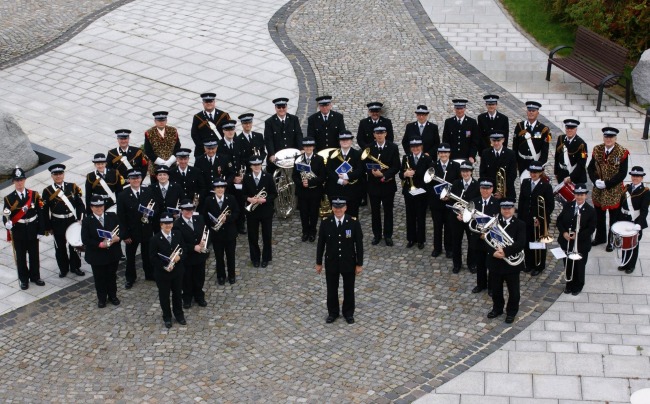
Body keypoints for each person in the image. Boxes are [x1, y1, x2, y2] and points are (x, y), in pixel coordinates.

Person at [316, 197, 364, 324]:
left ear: (345, 208)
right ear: (332, 208)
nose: (338, 210)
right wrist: (318, 262)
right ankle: (333, 312)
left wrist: (359, 264)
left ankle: (348, 313)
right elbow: (321, 244)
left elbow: (359, 245)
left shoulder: (353, 223)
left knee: (349, 289)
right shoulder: (326, 222)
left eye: (341, 208)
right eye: (336, 208)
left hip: (348, 262)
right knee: (332, 289)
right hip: (331, 261)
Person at [3, 167, 45, 290]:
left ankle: (35, 277)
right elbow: (6, 215)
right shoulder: (9, 199)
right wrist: (7, 223)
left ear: (25, 180)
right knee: (21, 258)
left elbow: (40, 213)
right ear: (13, 182)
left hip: (32, 229)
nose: (19, 183)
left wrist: (41, 230)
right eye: (17, 180)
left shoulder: (34, 195)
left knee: (34, 255)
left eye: (21, 180)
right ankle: (24, 279)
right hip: (19, 231)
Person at [587, 127, 629, 251]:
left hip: (614, 190)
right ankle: (600, 237)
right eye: (606, 137)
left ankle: (611, 241)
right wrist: (595, 181)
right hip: (599, 189)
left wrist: (608, 184)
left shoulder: (622, 152)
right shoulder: (598, 149)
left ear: (615, 138)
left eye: (611, 137)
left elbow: (622, 173)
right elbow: (590, 168)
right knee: (599, 215)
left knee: (613, 218)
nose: (608, 139)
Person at [485, 199, 526, 323]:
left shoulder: (520, 224)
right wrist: (493, 252)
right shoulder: (493, 223)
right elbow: (487, 240)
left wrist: (505, 252)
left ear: (513, 210)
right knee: (496, 290)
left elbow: (521, 243)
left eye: (509, 208)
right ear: (501, 210)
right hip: (496, 261)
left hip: (511, 264)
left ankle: (511, 312)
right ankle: (497, 309)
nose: (506, 211)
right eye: (504, 209)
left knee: (514, 291)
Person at [42, 163, 85, 278]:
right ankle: (63, 268)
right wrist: (48, 227)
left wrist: (80, 219)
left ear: (63, 174)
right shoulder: (47, 191)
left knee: (75, 245)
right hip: (57, 222)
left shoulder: (72, 187)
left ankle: (75, 266)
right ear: (52, 176)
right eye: (55, 174)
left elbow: (80, 205)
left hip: (71, 221)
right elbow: (45, 211)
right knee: (60, 247)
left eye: (60, 173)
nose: (58, 176)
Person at [81, 195, 121, 307]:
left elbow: (121, 229)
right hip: (97, 255)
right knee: (99, 278)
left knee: (112, 276)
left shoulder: (112, 216)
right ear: (91, 207)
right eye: (96, 206)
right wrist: (99, 244)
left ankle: (113, 296)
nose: (99, 209)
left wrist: (118, 238)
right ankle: (102, 298)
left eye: (101, 206)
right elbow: (85, 239)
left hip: (112, 253)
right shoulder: (87, 221)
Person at [116, 169, 154, 289]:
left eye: (138, 178)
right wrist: (124, 235)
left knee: (147, 254)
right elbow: (121, 217)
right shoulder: (123, 195)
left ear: (141, 179)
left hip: (146, 229)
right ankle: (130, 278)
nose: (136, 180)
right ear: (129, 180)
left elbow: (155, 206)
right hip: (131, 232)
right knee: (131, 257)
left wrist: (151, 213)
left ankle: (149, 274)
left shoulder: (148, 191)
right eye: (133, 178)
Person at [557, 184, 596, 295]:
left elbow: (591, 229)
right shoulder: (568, 206)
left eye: (582, 195)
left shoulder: (590, 211)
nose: (579, 197)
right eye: (577, 195)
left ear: (586, 196)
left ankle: (578, 285)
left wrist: (577, 236)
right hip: (567, 242)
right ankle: (569, 284)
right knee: (568, 263)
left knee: (579, 266)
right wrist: (564, 232)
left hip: (581, 244)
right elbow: (559, 221)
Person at [517, 161, 554, 276]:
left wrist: (540, 219)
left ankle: (539, 265)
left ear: (541, 173)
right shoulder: (525, 182)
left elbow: (550, 206)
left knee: (538, 243)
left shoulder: (546, 186)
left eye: (536, 172)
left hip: (539, 221)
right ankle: (529, 264)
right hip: (526, 219)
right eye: (532, 172)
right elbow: (522, 201)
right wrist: (520, 218)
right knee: (527, 241)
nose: (533, 174)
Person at [149, 212, 185, 328]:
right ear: (161, 225)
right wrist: (164, 266)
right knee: (164, 296)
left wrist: (180, 257)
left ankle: (179, 315)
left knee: (177, 294)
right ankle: (167, 317)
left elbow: (184, 249)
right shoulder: (155, 239)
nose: (168, 225)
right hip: (163, 273)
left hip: (177, 271)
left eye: (169, 223)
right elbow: (152, 257)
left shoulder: (178, 234)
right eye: (165, 224)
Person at [366, 127, 400, 246]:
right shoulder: (369, 148)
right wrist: (372, 172)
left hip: (388, 185)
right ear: (374, 134)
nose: (379, 135)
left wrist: (384, 174)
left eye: (381, 133)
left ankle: (388, 235)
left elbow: (396, 166)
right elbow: (365, 164)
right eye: (377, 133)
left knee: (388, 212)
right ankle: (377, 235)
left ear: (385, 134)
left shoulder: (393, 147)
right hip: (373, 185)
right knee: (375, 212)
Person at [203, 178, 240, 284]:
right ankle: (221, 276)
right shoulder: (209, 200)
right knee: (219, 256)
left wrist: (227, 219)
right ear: (214, 189)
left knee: (230, 255)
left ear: (224, 188)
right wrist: (212, 222)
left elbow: (237, 212)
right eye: (217, 188)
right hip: (216, 234)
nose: (220, 190)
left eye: (222, 187)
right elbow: (205, 216)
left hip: (229, 233)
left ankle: (231, 275)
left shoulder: (231, 198)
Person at [243, 157, 278, 268]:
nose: (257, 166)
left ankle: (266, 258)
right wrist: (249, 199)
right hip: (252, 212)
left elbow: (274, 193)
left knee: (267, 235)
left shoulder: (267, 177)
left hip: (265, 211)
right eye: (254, 165)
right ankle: (255, 258)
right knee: (252, 236)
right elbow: (243, 194)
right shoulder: (247, 177)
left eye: (259, 164)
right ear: (251, 166)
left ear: (261, 165)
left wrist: (265, 200)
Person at [174, 199, 209, 306]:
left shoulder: (199, 219)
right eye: (186, 210)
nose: (189, 212)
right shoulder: (177, 224)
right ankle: (187, 297)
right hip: (187, 257)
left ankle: (199, 295)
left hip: (200, 255)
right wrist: (193, 247)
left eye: (191, 209)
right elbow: (179, 243)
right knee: (187, 278)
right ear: (181, 210)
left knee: (199, 277)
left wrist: (205, 242)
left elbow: (206, 232)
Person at [291, 137, 326, 242]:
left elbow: (322, 177)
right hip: (302, 191)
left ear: (313, 147)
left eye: (310, 146)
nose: (308, 148)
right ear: (303, 147)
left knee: (314, 213)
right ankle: (305, 232)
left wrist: (310, 182)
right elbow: (294, 176)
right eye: (306, 146)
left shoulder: (319, 159)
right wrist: (302, 183)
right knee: (303, 213)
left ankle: (312, 232)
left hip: (315, 191)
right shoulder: (298, 158)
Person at [428, 143, 460, 258]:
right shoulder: (432, 165)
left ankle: (449, 248)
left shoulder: (456, 166)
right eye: (441, 153)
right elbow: (429, 185)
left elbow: (458, 184)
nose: (443, 155)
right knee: (437, 226)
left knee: (449, 227)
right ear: (438, 154)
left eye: (445, 152)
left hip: (450, 202)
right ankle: (437, 248)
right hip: (436, 202)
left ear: (449, 153)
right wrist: (439, 196)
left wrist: (449, 196)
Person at [446, 161, 479, 273]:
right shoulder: (455, 183)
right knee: (456, 241)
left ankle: (472, 263)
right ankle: (457, 264)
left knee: (472, 242)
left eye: (467, 171)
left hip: (470, 219)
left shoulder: (477, 185)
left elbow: (477, 204)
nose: (465, 174)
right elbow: (452, 202)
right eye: (463, 171)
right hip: (457, 218)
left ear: (471, 172)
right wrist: (458, 215)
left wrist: (468, 215)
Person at [399, 137, 432, 250]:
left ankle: (421, 240)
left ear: (421, 147)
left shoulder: (427, 159)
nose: (415, 149)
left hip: (422, 192)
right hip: (409, 192)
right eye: (413, 147)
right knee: (410, 216)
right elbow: (400, 174)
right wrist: (405, 174)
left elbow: (430, 176)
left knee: (421, 216)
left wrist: (416, 173)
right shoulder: (406, 157)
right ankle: (411, 238)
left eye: (417, 147)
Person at [470, 178, 499, 293]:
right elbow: (471, 220)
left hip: (491, 239)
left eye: (487, 189)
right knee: (480, 263)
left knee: (491, 264)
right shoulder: (474, 202)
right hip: (478, 238)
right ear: (480, 189)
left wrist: (487, 233)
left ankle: (491, 287)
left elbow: (497, 222)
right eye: (483, 189)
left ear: (492, 190)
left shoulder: (497, 204)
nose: (485, 191)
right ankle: (481, 284)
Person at [618, 167, 649, 274]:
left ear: (641, 178)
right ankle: (624, 262)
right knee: (624, 242)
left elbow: (644, 210)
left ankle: (631, 265)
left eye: (638, 176)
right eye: (633, 176)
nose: (635, 178)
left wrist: (639, 224)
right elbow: (621, 203)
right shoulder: (627, 188)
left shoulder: (645, 192)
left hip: (635, 220)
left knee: (634, 244)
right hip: (624, 218)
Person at [325, 130, 363, 218]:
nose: (345, 141)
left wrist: (347, 176)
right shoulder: (332, 154)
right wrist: (339, 180)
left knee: (353, 214)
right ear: (339, 141)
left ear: (351, 141)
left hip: (353, 190)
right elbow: (329, 170)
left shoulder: (357, 154)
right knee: (336, 215)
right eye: (342, 140)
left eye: (347, 139)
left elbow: (360, 170)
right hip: (336, 190)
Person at [218, 119, 247, 233]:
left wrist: (241, 175)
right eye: (227, 130)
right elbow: (220, 165)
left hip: (240, 179)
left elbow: (243, 159)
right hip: (228, 180)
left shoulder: (239, 142)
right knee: (229, 203)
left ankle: (241, 224)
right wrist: (232, 178)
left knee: (240, 202)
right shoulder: (219, 145)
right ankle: (230, 224)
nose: (230, 132)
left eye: (232, 129)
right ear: (223, 131)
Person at [264, 97, 303, 175]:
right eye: (279, 107)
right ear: (275, 108)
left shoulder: (294, 119)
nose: (281, 109)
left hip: (292, 155)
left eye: (283, 107)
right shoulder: (269, 122)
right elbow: (268, 140)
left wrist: (301, 149)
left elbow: (298, 135)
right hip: (277, 157)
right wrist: (272, 154)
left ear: (286, 107)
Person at [512, 101, 551, 178]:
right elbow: (515, 145)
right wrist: (515, 161)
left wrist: (541, 165)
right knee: (523, 183)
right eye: (529, 111)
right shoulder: (520, 126)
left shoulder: (543, 129)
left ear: (537, 113)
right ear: (527, 112)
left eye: (533, 111)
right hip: (522, 161)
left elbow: (545, 150)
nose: (531, 113)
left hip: (535, 161)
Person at [144, 111, 181, 183]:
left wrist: (170, 161)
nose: (161, 122)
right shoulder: (149, 133)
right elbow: (148, 150)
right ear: (155, 121)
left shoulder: (173, 131)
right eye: (159, 121)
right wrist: (161, 162)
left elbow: (177, 147)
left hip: (171, 165)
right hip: (155, 167)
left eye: (163, 120)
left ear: (166, 121)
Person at [190, 92, 231, 157]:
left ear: (214, 102)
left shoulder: (223, 115)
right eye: (206, 102)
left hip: (221, 150)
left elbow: (230, 131)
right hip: (203, 152)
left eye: (211, 101)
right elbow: (194, 134)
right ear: (203, 103)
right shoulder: (197, 117)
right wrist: (205, 149)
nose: (209, 103)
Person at [479, 132, 517, 200]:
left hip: (507, 192)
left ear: (503, 140)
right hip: (490, 192)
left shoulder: (510, 154)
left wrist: (502, 191)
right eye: (494, 140)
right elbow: (482, 173)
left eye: (498, 140)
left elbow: (513, 174)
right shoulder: (485, 153)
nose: (496, 143)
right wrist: (489, 190)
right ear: (490, 140)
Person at [442, 98, 479, 163]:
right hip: (452, 157)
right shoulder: (449, 122)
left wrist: (472, 155)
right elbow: (445, 140)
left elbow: (474, 141)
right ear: (454, 109)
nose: (459, 111)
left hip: (466, 157)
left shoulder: (472, 122)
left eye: (461, 108)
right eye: (457, 108)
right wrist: (446, 154)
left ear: (465, 109)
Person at [554, 118, 588, 185]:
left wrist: (571, 177)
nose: (569, 130)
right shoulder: (561, 138)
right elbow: (557, 156)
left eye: (572, 129)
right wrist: (556, 172)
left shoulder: (581, 144)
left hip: (576, 178)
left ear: (576, 129)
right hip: (562, 175)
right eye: (567, 128)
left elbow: (581, 164)